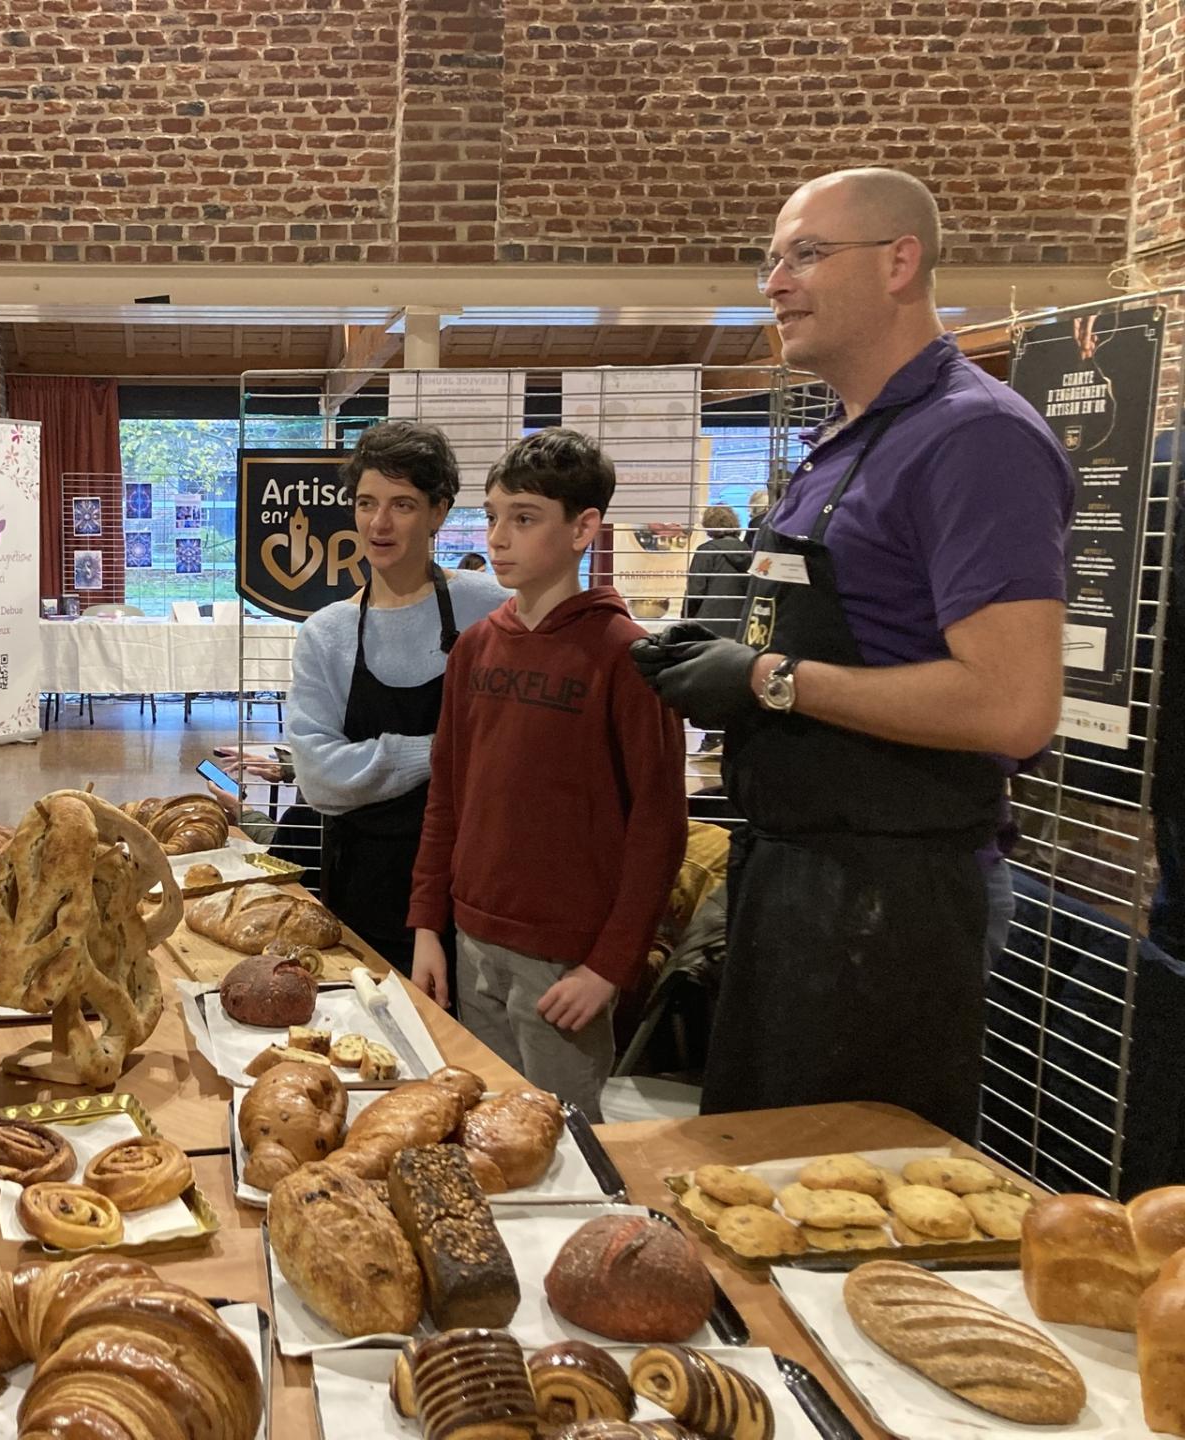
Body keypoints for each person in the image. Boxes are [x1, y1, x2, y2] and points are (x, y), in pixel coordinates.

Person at [631, 168, 1073, 1138]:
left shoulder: (975, 440)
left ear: (901, 262)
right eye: (772, 260)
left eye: (807, 254)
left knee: (842, 1208)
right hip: (797, 881)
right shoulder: (840, 443)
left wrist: (767, 678)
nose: (775, 283)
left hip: (892, 903)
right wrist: (729, 650)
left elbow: (1013, 707)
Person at [407, 429, 687, 1118]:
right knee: (483, 1126)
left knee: (566, 1140)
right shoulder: (474, 647)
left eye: (524, 518)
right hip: (473, 944)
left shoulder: (625, 656)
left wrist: (609, 966)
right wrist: (426, 926)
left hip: (566, 962)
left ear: (583, 528)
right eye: (493, 516)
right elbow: (448, 795)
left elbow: (658, 824)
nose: (498, 537)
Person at [286, 421, 507, 976]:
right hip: (366, 884)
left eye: (402, 504)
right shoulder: (327, 633)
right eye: (366, 503)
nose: (379, 524)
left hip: (479, 881)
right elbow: (318, 776)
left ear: (439, 511)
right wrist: (441, 753)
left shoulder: (492, 609)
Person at [681, 504, 752, 638]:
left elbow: (695, 591)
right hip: (741, 625)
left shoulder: (707, 551)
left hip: (709, 626)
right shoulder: (748, 551)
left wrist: (685, 620)